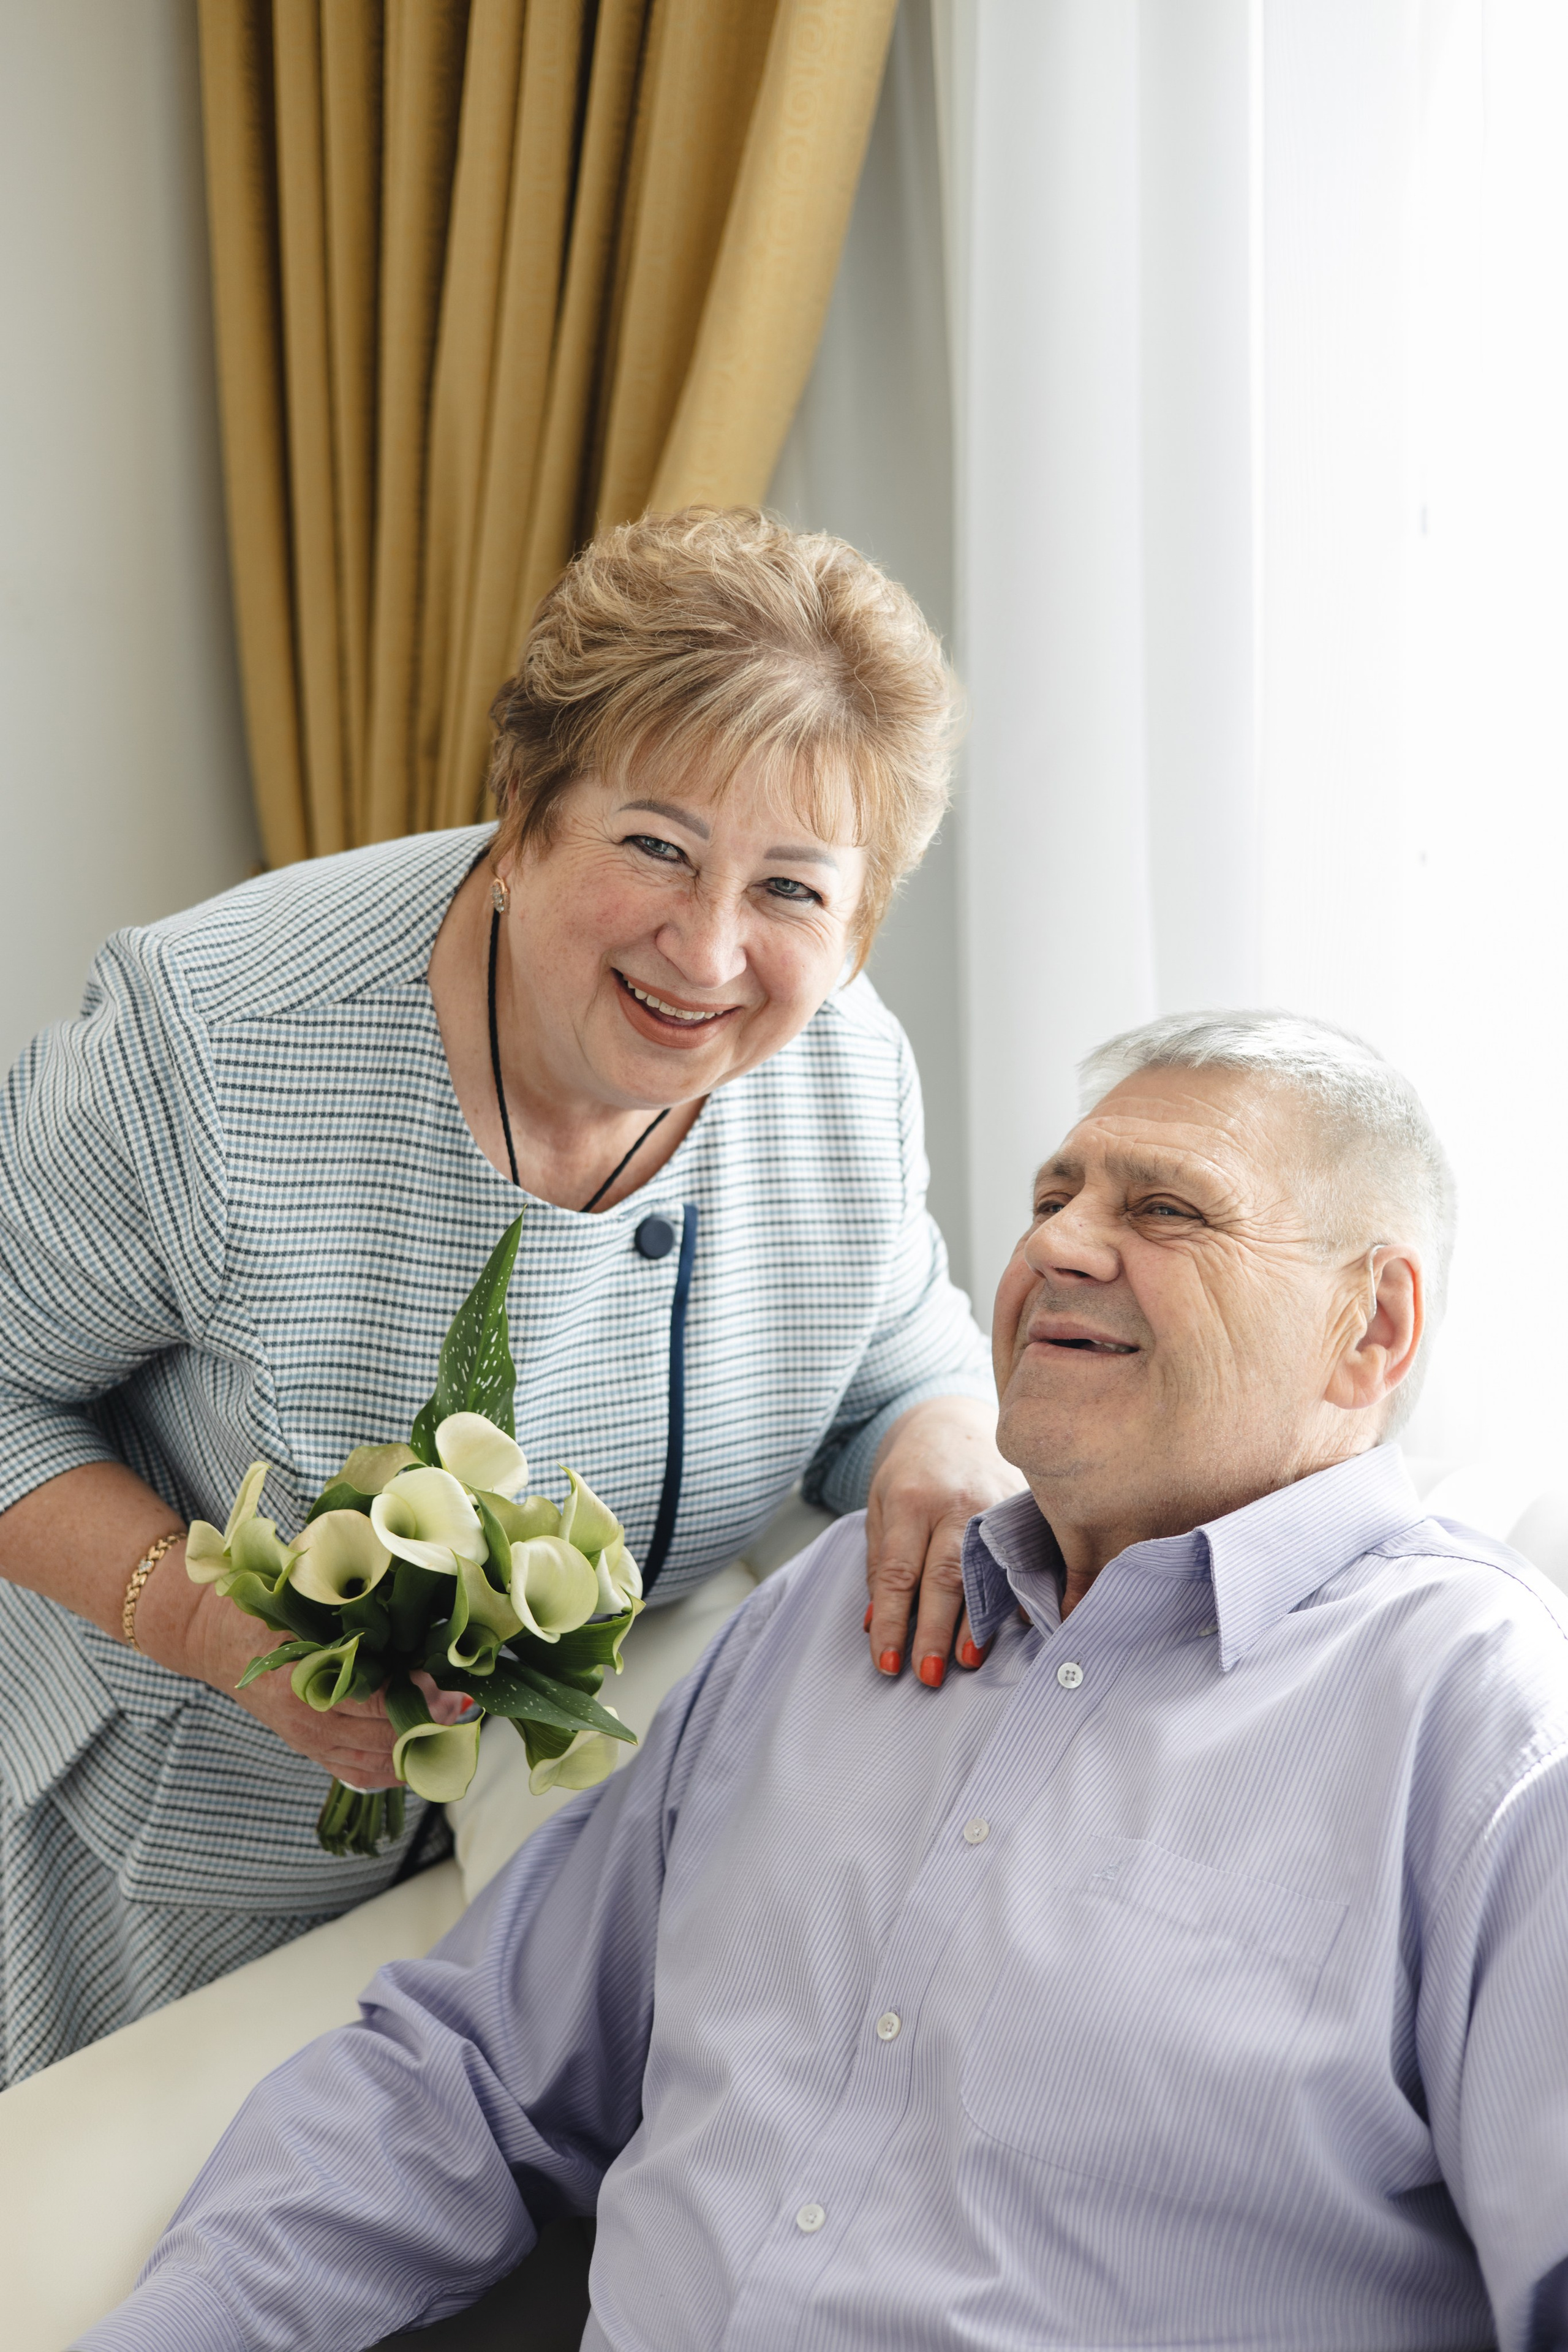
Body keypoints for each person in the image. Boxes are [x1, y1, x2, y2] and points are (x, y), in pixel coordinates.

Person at [81, 1009, 1568, 2352]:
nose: (1057, 1244)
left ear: (1368, 1327)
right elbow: (467, 2078)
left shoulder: (1487, 1726)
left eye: (1164, 1209)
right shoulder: (833, 1612)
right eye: (1053, 1196)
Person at [0, 508, 1017, 2086]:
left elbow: (890, 1346)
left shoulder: (842, 1074)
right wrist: (204, 1624)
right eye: (654, 845)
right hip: (151, 1886)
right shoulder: (218, 1043)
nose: (708, 947)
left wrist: (944, 1439)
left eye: (794, 890)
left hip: (540, 1933)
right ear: (521, 809)